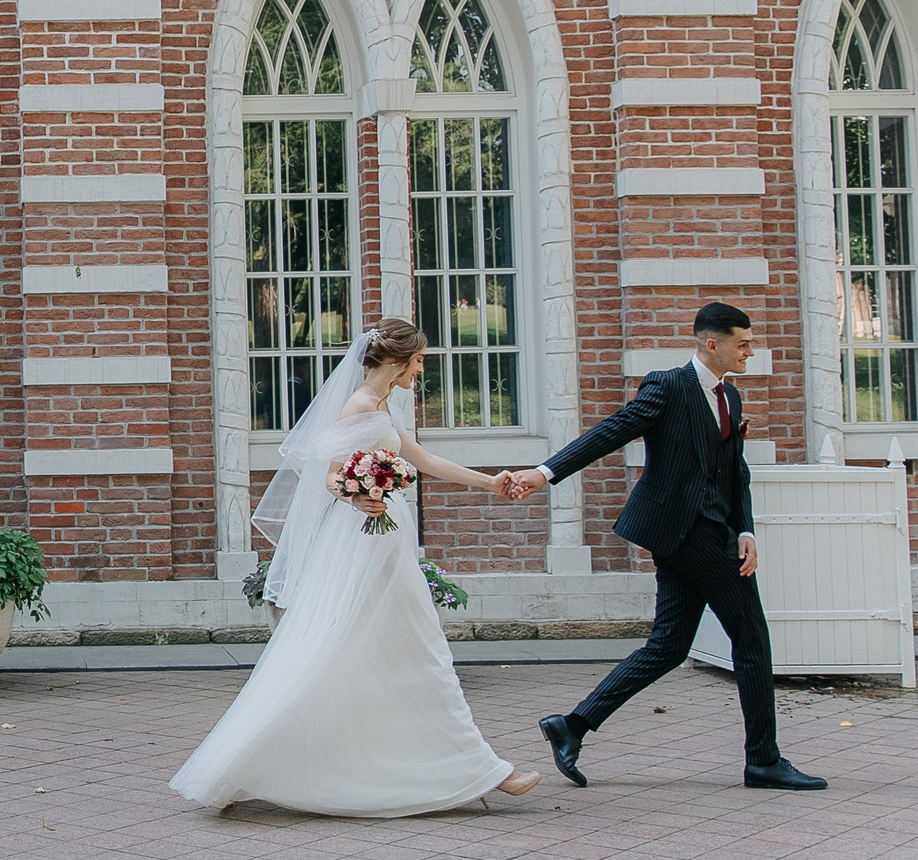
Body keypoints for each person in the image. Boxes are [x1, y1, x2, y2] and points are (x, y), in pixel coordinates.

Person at [170, 319, 541, 817]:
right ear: (396, 361)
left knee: (391, 651)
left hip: (387, 544)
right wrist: (360, 495)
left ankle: (463, 768)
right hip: (368, 543)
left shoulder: (383, 404)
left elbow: (422, 459)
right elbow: (328, 475)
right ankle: (488, 772)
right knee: (409, 648)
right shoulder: (360, 405)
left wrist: (491, 483)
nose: (422, 369)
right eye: (419, 360)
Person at [495, 302, 826, 792]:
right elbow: (610, 432)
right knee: (752, 637)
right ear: (712, 344)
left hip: (705, 531)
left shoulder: (729, 397)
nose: (751, 350)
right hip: (688, 531)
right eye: (744, 343)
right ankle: (763, 760)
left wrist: (747, 530)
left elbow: (735, 473)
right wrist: (544, 473)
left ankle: (573, 725)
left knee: (669, 646)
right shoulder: (666, 385)